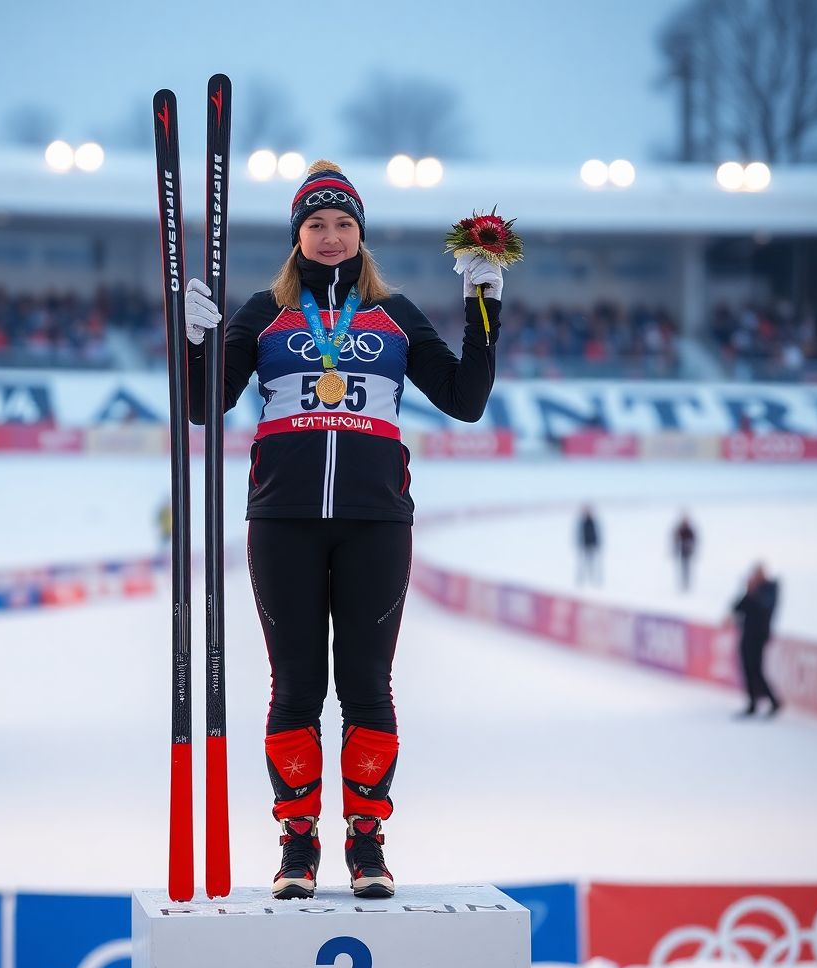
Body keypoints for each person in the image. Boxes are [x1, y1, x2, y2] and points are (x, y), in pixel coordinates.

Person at [184, 160, 502, 899]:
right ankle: (298, 847)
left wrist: (483, 304)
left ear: (362, 234)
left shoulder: (395, 314)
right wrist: (195, 339)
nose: (331, 237)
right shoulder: (263, 312)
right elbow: (205, 407)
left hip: (375, 522)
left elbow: (465, 399)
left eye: (344, 224)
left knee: (366, 687)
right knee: (295, 687)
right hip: (284, 519)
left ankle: (367, 845)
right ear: (297, 235)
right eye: (317, 224)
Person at [729, 563, 782, 718]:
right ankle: (752, 703)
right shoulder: (753, 590)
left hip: (759, 636)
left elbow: (765, 607)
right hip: (746, 634)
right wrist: (747, 591)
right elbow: (737, 608)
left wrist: (753, 592)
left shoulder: (770, 588)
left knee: (756, 670)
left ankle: (774, 701)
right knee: (747, 668)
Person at [576, 505, 601, 585]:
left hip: (592, 545)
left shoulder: (593, 522)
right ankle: (581, 580)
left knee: (593, 563)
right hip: (584, 545)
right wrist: (580, 544)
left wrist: (597, 543)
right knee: (583, 563)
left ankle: (594, 579)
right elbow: (580, 534)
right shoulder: (583, 523)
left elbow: (596, 533)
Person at [672, 512, 697, 591]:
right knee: (683, 567)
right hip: (682, 551)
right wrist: (675, 549)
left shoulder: (689, 529)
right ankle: (683, 582)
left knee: (687, 567)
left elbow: (694, 540)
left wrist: (691, 548)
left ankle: (687, 583)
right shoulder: (680, 529)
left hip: (688, 551)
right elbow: (675, 539)